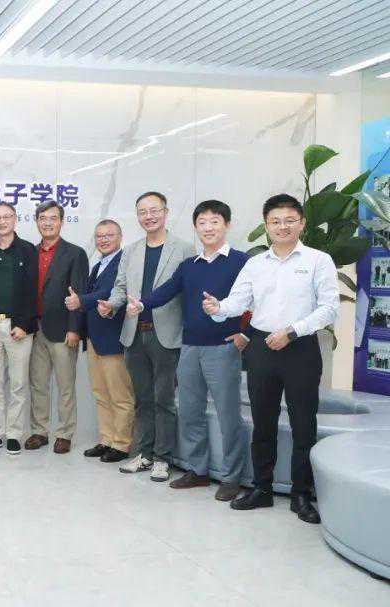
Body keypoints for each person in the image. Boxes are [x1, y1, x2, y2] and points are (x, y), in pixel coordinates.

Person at [203, 194, 338, 524]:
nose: (282, 226)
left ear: (302, 223)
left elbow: (329, 308)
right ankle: (262, 489)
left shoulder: (318, 260)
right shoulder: (255, 264)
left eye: (290, 220)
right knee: (262, 422)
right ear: (266, 226)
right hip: (262, 348)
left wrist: (292, 331)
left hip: (300, 348)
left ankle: (301, 494)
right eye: (275, 221)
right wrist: (218, 308)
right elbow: (238, 302)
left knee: (303, 424)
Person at [127, 200, 249, 501]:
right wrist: (142, 304)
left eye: (215, 221)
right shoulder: (189, 265)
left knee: (228, 415)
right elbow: (166, 292)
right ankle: (198, 470)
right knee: (191, 412)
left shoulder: (242, 261)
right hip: (190, 347)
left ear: (227, 225)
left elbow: (257, 300)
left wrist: (245, 334)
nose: (208, 228)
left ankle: (232, 477)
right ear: (195, 227)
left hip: (223, 348)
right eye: (202, 223)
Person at [102, 192, 194, 482]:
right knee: (142, 399)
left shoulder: (184, 249)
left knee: (164, 399)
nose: (149, 216)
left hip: (166, 335)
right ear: (137, 216)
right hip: (133, 333)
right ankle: (143, 454)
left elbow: (188, 293)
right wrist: (111, 305)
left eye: (154, 210)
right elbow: (120, 287)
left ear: (166, 212)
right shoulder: (131, 251)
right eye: (143, 211)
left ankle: (162, 458)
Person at [64, 219, 133, 463]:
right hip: (94, 338)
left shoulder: (124, 262)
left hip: (113, 338)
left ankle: (122, 444)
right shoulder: (97, 266)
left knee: (119, 394)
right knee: (101, 393)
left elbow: (112, 292)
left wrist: (81, 300)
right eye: (100, 236)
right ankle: (106, 440)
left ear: (120, 237)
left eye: (109, 235)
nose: (103, 240)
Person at [26, 201, 88, 454]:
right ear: (37, 222)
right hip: (34, 329)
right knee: (38, 384)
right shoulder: (29, 252)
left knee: (65, 385)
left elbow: (78, 293)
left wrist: (75, 329)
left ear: (61, 221)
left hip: (63, 330)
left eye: (53, 218)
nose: (47, 223)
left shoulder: (75, 253)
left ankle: (64, 433)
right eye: (43, 218)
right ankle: (39, 431)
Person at [0, 202, 38, 456]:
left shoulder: (28, 250)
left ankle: (14, 434)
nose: (2, 221)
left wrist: (24, 324)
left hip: (18, 327)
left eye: (7, 216)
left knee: (18, 384)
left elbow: (33, 290)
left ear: (15, 219)